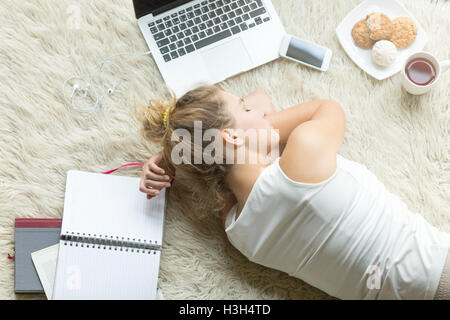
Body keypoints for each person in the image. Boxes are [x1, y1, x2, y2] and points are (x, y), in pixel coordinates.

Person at [136, 85, 450, 300]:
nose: (256, 110)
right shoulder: (303, 153)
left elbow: (259, 105)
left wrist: (177, 153)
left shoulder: (236, 228)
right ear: (231, 136)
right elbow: (327, 107)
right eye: (243, 107)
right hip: (437, 269)